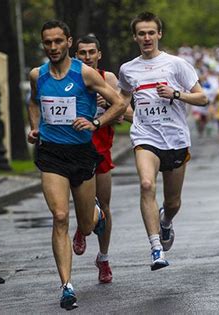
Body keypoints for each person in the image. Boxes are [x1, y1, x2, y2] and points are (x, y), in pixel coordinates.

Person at [27, 20, 126, 309]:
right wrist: (35, 127)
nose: (53, 47)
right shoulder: (37, 75)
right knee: (59, 216)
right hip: (51, 154)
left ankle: (95, 214)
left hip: (82, 154)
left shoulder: (84, 73)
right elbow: (33, 102)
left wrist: (96, 122)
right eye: (48, 42)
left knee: (85, 224)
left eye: (58, 41)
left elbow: (119, 104)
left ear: (68, 42)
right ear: (43, 44)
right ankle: (67, 286)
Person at [117, 12, 208, 270]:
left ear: (159, 34)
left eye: (150, 33)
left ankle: (166, 222)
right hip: (146, 138)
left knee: (172, 202)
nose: (146, 38)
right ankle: (156, 248)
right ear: (135, 37)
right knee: (146, 185)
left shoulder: (176, 65)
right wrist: (107, 110)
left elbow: (202, 99)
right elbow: (122, 101)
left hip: (176, 139)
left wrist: (176, 93)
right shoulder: (128, 69)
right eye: (141, 33)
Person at [72, 34, 124, 284]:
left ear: (99, 55)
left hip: (102, 149)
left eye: (91, 52)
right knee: (84, 210)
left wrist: (107, 104)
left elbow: (121, 115)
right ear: (76, 55)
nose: (87, 57)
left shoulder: (109, 79)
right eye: (82, 53)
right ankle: (83, 228)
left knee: (104, 206)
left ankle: (103, 258)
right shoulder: (69, 79)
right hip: (75, 149)